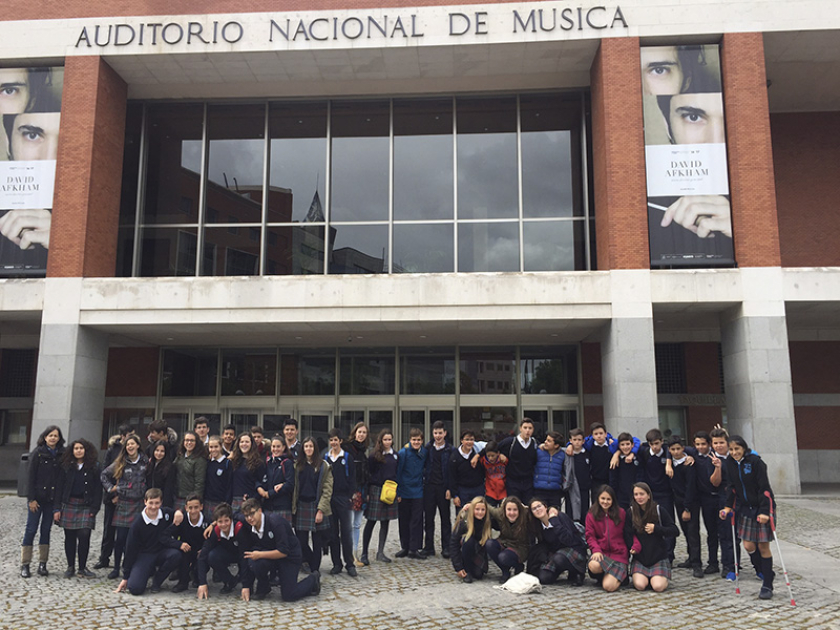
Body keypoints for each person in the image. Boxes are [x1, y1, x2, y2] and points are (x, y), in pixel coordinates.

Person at [720, 435, 777, 599]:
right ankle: (765, 570)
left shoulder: (755, 462)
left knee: (763, 547)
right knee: (748, 545)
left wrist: (765, 511)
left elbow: (764, 488)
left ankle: (767, 584)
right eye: (731, 450)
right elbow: (731, 487)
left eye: (737, 449)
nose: (734, 452)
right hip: (745, 508)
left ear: (744, 448)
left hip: (761, 507)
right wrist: (727, 506)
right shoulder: (729, 463)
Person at [240, 498, 321, 602]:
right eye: (246, 515)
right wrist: (245, 585)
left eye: (252, 514)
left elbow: (283, 551)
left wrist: (260, 555)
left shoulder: (275, 522)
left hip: (289, 556)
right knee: (253, 562)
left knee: (289, 595)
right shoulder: (248, 524)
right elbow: (232, 516)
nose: (249, 518)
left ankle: (313, 579)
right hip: (271, 554)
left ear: (260, 511)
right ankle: (263, 587)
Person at [114, 488, 182, 596]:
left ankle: (157, 581)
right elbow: (130, 549)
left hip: (161, 552)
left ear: (161, 502)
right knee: (135, 589)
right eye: (151, 503)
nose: (154, 507)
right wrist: (125, 577)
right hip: (144, 555)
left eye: (157, 503)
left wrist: (179, 512)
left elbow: (177, 513)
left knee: (176, 555)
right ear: (145, 502)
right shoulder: (138, 523)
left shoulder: (166, 514)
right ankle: (146, 571)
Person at [101, 434, 149, 579]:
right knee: (120, 539)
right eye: (128, 445)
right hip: (124, 503)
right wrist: (111, 489)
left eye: (132, 444)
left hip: (140, 504)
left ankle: (132, 566)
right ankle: (116, 568)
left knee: (135, 538)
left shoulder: (146, 462)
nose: (130, 447)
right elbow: (103, 475)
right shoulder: (120, 462)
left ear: (138, 446)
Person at [53, 438, 102, 579]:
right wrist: (57, 508)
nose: (78, 451)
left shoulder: (94, 467)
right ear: (72, 451)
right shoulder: (66, 467)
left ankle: (82, 567)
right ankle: (70, 567)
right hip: (69, 504)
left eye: (81, 448)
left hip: (86, 505)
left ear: (86, 450)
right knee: (69, 536)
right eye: (76, 448)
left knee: (84, 535)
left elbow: (98, 490)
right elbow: (59, 488)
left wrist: (95, 509)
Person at [20, 425, 65, 578]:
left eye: (56, 436)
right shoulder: (38, 453)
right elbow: (30, 477)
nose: (53, 438)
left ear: (59, 438)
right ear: (45, 437)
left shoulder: (61, 454)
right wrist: (31, 499)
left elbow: (60, 482)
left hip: (50, 500)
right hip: (37, 499)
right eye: (50, 435)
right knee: (31, 529)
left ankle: (42, 563)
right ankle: (25, 564)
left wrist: (57, 505)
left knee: (46, 530)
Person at [585, 484, 639, 592]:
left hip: (619, 555)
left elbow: (630, 532)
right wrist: (596, 550)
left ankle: (619, 576)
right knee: (593, 565)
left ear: (613, 500)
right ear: (598, 498)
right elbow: (590, 536)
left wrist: (635, 545)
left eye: (608, 499)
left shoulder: (622, 513)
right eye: (603, 498)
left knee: (608, 587)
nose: (605, 502)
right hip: (602, 553)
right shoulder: (591, 514)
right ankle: (607, 575)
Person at [628, 482, 680, 592]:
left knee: (658, 587)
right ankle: (645, 576)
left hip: (658, 557)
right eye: (636, 494)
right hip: (641, 558)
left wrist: (656, 529)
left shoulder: (659, 510)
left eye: (642, 494)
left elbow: (675, 531)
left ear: (648, 495)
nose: (639, 497)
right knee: (640, 586)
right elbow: (627, 534)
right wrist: (632, 546)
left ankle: (658, 577)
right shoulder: (631, 512)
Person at [292, 436, 333, 574]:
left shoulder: (323, 466)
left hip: (316, 506)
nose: (308, 449)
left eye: (311, 446)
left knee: (317, 543)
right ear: (302, 449)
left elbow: (327, 490)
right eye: (306, 446)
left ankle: (315, 569)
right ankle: (308, 561)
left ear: (315, 448)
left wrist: (321, 510)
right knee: (300, 541)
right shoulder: (297, 465)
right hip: (301, 506)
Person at [94, 424, 131, 571]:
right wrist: (113, 494)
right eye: (129, 435)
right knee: (108, 530)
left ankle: (123, 560)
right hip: (112, 498)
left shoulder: (135, 453)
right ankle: (104, 558)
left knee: (125, 533)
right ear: (123, 436)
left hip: (127, 499)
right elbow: (106, 474)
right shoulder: (113, 451)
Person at [528, 498, 586, 586]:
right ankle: (560, 569)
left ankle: (577, 572)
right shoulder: (538, 526)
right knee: (544, 578)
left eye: (539, 506)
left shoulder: (560, 517)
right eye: (534, 509)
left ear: (545, 507)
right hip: (556, 553)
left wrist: (554, 521)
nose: (537, 509)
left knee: (559, 559)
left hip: (574, 548)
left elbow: (569, 539)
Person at [361, 429, 399, 565]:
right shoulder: (373, 456)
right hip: (376, 490)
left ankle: (380, 552)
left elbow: (396, 473)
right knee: (371, 521)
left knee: (385, 522)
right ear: (380, 441)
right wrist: (368, 493)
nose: (388, 442)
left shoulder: (395, 455)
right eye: (385, 440)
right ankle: (364, 553)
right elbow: (368, 474)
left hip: (390, 490)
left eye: (390, 439)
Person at [637, 428, 676, 561]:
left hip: (666, 493)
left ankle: (669, 555)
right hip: (651, 494)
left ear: (661, 442)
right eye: (651, 444)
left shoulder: (667, 451)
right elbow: (633, 444)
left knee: (667, 522)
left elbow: (683, 450)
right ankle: (655, 552)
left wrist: (669, 462)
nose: (654, 447)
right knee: (651, 523)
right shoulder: (644, 452)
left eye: (657, 443)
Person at [323, 428, 357, 576]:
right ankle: (337, 563)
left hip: (343, 498)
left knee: (346, 532)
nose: (333, 443)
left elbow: (353, 478)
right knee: (332, 533)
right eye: (331, 440)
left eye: (336, 440)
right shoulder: (326, 457)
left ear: (340, 441)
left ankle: (350, 564)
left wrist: (350, 495)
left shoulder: (347, 457)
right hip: (330, 499)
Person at [668, 436, 702, 578]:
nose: (676, 452)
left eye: (678, 449)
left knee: (693, 532)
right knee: (685, 531)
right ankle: (690, 558)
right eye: (673, 449)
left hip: (690, 502)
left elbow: (690, 487)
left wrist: (687, 508)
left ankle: (697, 563)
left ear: (683, 448)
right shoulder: (671, 464)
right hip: (678, 501)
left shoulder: (689, 464)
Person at [196, 503, 247, 598]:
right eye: (220, 522)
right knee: (211, 556)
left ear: (231, 519)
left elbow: (244, 556)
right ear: (216, 522)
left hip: (242, 554)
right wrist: (202, 583)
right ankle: (229, 581)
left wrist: (246, 586)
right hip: (227, 554)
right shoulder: (215, 531)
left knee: (247, 559)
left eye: (226, 521)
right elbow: (202, 556)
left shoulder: (240, 529)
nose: (223, 525)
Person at [710, 426, 739, 579]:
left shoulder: (734, 456)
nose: (718, 446)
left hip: (737, 498)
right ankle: (728, 566)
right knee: (725, 534)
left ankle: (736, 563)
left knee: (736, 534)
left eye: (721, 442)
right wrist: (718, 468)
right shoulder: (713, 458)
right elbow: (715, 482)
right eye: (715, 443)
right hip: (722, 498)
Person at [692, 430, 722, 576]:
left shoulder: (717, 456)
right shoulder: (693, 455)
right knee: (711, 533)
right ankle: (713, 562)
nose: (701, 447)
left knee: (725, 532)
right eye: (698, 444)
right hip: (705, 499)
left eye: (703, 444)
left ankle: (730, 562)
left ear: (709, 444)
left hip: (721, 497)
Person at [396, 428, 428, 560]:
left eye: (419, 440)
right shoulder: (403, 453)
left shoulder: (424, 452)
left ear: (422, 441)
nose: (416, 442)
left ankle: (414, 548)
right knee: (404, 520)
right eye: (414, 440)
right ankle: (405, 546)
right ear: (410, 440)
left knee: (417, 520)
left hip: (418, 491)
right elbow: (398, 472)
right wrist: (397, 491)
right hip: (404, 491)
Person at [422, 420, 452, 558]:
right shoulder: (427, 449)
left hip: (443, 488)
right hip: (429, 487)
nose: (438, 435)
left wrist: (450, 488)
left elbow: (453, 472)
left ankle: (446, 547)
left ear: (445, 433)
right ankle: (428, 547)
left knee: (445, 519)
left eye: (440, 433)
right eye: (435, 433)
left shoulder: (450, 450)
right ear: (432, 433)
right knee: (428, 518)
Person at [485, 496, 530, 583]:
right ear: (504, 510)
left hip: (520, 547)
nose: (512, 513)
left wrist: (552, 510)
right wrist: (471, 504)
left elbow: (539, 510)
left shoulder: (526, 515)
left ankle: (518, 566)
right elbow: (488, 507)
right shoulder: (500, 514)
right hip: (504, 541)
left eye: (515, 510)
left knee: (503, 557)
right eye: (509, 509)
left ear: (519, 510)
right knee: (489, 544)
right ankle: (505, 571)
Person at [169, 494, 206, 593]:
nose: (193, 511)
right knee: (180, 555)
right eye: (190, 508)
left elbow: (212, 540)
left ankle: (197, 578)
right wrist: (179, 544)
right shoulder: (181, 520)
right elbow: (165, 536)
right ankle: (183, 582)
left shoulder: (207, 522)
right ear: (186, 508)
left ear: (201, 507)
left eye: (196, 507)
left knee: (206, 557)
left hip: (201, 552)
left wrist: (204, 549)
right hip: (186, 550)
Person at [449, 496, 491, 583]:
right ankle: (467, 570)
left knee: (479, 575)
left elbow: (499, 513)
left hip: (478, 551)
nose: (480, 512)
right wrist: (458, 568)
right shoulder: (463, 523)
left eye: (482, 510)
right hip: (466, 550)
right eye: (477, 509)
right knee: (468, 541)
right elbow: (453, 544)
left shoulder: (488, 521)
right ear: (472, 510)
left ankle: (475, 567)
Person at [495, 418, 538, 503]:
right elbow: (492, 447)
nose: (527, 430)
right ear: (520, 428)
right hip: (513, 482)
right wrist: (499, 454)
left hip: (528, 482)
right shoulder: (510, 442)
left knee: (528, 507)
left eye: (530, 428)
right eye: (525, 427)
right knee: (514, 506)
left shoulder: (535, 443)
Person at [344, 422, 369, 564]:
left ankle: (354, 554)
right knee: (349, 524)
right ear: (355, 433)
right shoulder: (347, 449)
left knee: (357, 524)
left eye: (364, 433)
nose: (361, 435)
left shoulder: (363, 451)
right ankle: (348, 555)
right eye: (359, 432)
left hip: (361, 490)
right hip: (350, 491)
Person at [258, 435, 294, 523]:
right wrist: (260, 489)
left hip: (282, 506)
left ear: (284, 447)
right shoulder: (267, 462)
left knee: (283, 535)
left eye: (278, 446)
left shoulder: (287, 463)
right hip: (267, 506)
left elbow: (290, 484)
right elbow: (260, 478)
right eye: (273, 446)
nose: (275, 449)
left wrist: (270, 493)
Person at [229, 432, 266, 512]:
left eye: (247, 442)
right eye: (242, 442)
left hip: (250, 501)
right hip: (234, 500)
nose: (244, 444)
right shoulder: (233, 461)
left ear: (251, 444)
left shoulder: (258, 463)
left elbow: (260, 483)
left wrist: (252, 498)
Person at [450, 430, 484, 508]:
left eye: (471, 439)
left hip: (478, 489)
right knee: (462, 516)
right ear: (462, 441)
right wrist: (455, 495)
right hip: (462, 490)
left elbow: (492, 446)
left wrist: (477, 455)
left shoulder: (477, 451)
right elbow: (452, 477)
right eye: (467, 439)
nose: (469, 442)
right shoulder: (454, 456)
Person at [608, 432, 642, 510]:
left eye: (627, 444)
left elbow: (641, 476)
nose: (625, 447)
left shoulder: (638, 458)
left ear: (632, 445)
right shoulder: (615, 460)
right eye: (622, 445)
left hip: (635, 495)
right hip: (621, 496)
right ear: (619, 446)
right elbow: (613, 479)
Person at [174, 431, 207, 508]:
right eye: (187, 440)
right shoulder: (180, 456)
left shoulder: (200, 460)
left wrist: (195, 501)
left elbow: (199, 483)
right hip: (177, 497)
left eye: (192, 440)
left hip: (190, 499)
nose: (189, 443)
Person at [564, 428, 591, 524]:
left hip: (584, 488)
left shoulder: (587, 454)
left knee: (584, 512)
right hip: (571, 488)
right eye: (574, 440)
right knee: (570, 513)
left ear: (583, 441)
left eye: (579, 440)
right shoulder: (567, 454)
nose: (577, 442)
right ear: (570, 441)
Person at [533, 431, 565, 510]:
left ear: (556, 445)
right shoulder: (538, 452)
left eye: (549, 441)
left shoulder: (563, 455)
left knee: (554, 515)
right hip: (539, 489)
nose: (545, 442)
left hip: (555, 491)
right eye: (546, 440)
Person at [204, 435, 233, 519]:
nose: (213, 449)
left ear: (221, 446)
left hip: (221, 502)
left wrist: (226, 503)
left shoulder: (227, 463)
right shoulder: (208, 462)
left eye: (216, 447)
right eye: (211, 447)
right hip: (207, 501)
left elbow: (229, 485)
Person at [145, 441, 176, 509]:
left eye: (162, 451)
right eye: (157, 450)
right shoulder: (150, 464)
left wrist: (165, 505)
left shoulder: (170, 467)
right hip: (149, 499)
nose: (159, 453)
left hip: (162, 501)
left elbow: (169, 488)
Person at [480, 441, 506, 507]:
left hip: (503, 491)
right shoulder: (483, 461)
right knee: (490, 513)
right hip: (490, 491)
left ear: (498, 453)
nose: (490, 458)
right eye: (488, 456)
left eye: (493, 456)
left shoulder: (503, 460)